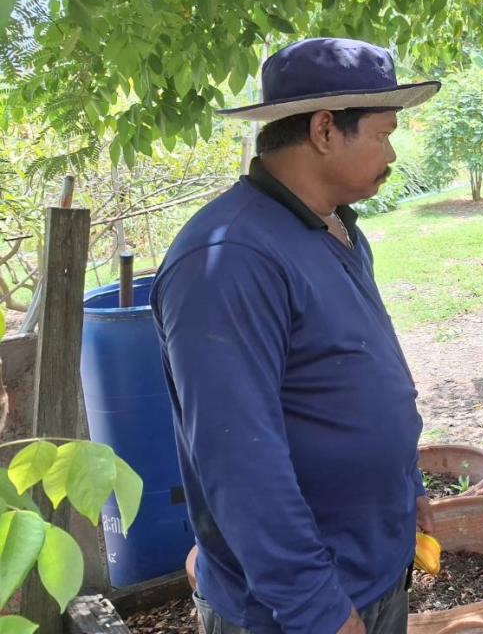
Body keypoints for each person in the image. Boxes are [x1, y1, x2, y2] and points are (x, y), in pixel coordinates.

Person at [153, 38, 439, 634]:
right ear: (325, 130)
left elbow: (357, 373)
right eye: (384, 133)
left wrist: (405, 486)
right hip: (297, 609)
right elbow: (239, 462)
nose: (393, 151)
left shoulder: (335, 229)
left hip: (372, 571)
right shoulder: (230, 260)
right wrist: (318, 609)